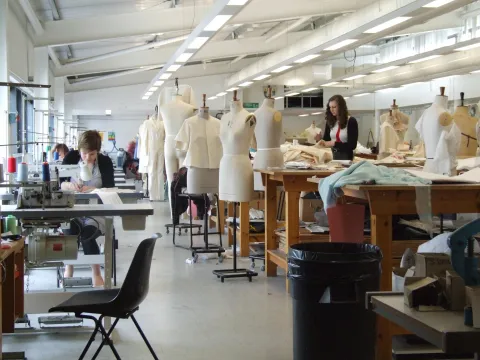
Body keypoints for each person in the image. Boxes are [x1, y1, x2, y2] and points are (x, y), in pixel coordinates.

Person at [60, 130, 114, 286]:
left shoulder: (105, 162)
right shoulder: (71, 157)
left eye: (92, 154)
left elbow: (110, 188)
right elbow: (60, 183)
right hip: (72, 209)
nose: (88, 158)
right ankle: (69, 267)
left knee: (88, 234)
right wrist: (71, 185)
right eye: (84, 154)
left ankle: (96, 272)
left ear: (98, 151)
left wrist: (91, 190)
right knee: (71, 231)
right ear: (79, 150)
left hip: (96, 211)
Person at [317, 94, 358, 160]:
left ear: (341, 107)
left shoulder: (351, 121)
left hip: (346, 157)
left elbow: (352, 145)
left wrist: (334, 143)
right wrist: (320, 140)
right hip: (331, 155)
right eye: (330, 107)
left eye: (334, 107)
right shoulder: (330, 122)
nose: (331, 110)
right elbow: (326, 140)